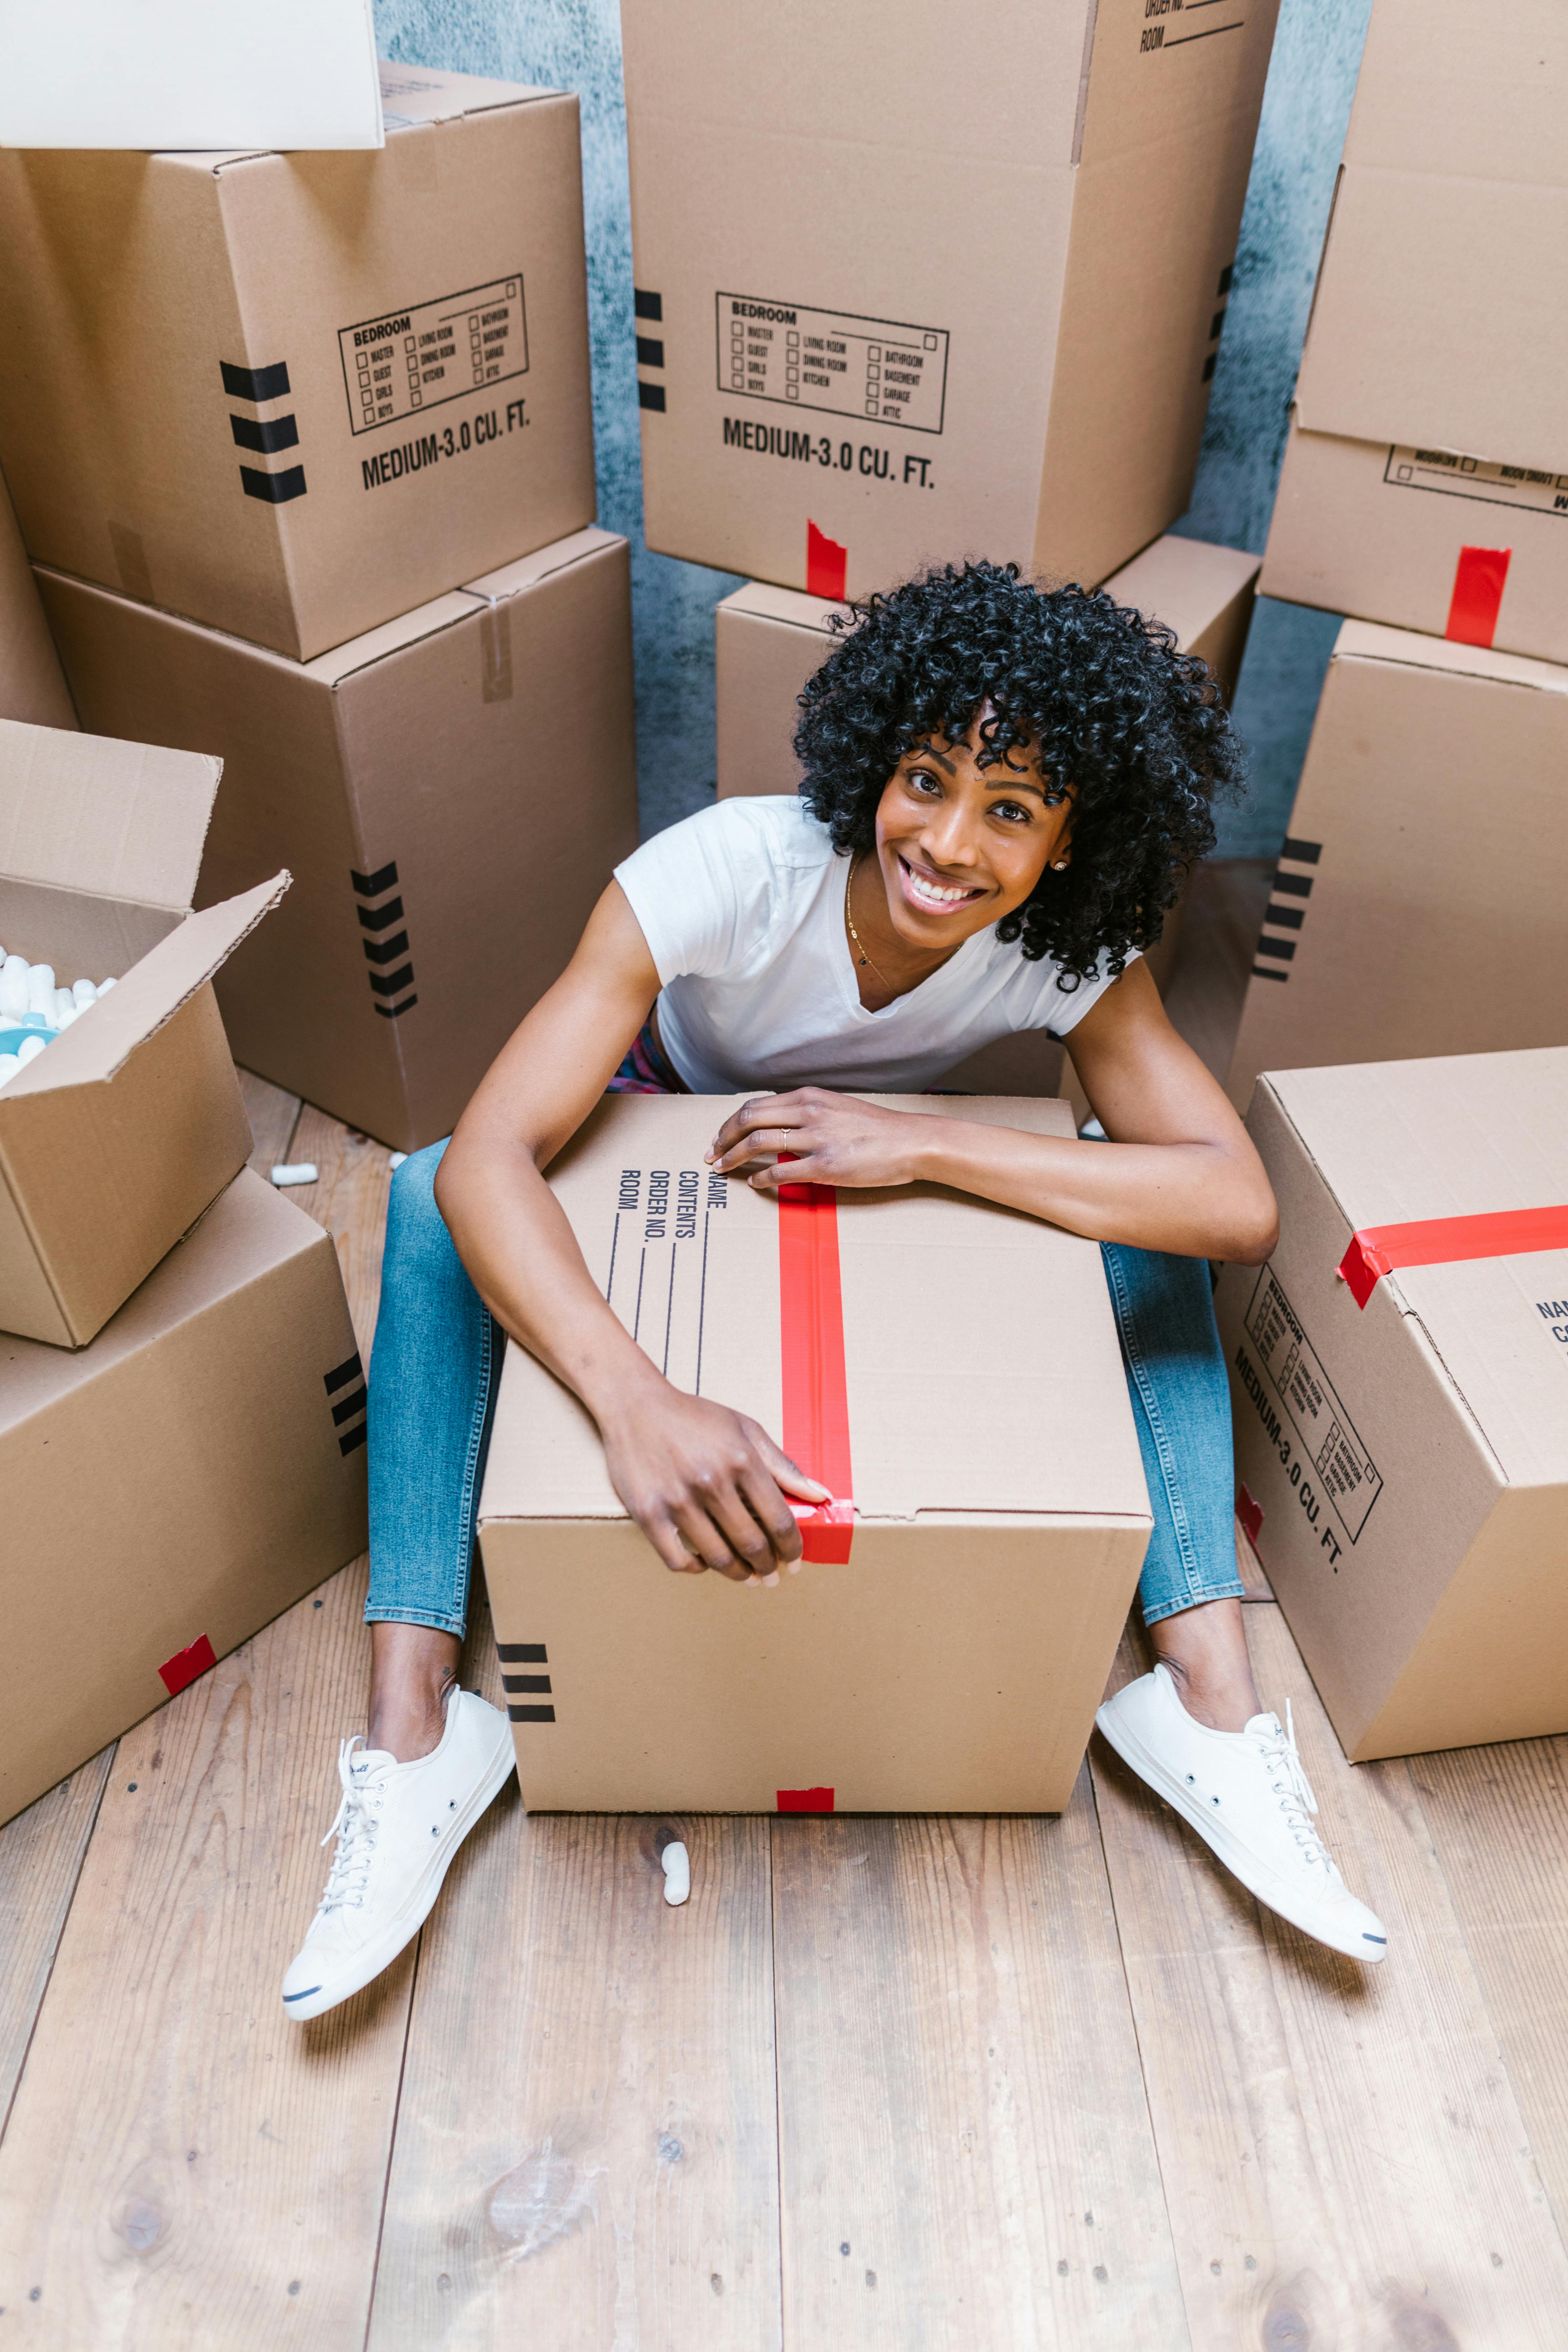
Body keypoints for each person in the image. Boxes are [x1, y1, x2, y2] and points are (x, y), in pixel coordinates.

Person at [281, 562, 1386, 2021]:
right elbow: (487, 1153)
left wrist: (922, 1138)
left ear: (1069, 842)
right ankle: (417, 1737)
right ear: (877, 759)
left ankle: (1209, 1709)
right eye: (925, 779)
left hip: (842, 1170)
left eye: (1010, 810)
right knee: (429, 1192)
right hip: (657, 1132)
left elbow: (1232, 1202)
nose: (945, 842)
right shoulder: (731, 871)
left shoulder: (1066, 945)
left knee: (1147, 1214)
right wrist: (637, 1401)